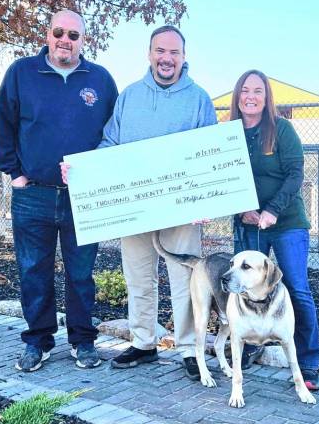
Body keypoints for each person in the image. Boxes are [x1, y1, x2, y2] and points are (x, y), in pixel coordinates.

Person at [64, 25, 217, 380]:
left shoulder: (199, 99)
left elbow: (210, 152)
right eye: (160, 51)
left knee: (186, 280)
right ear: (149, 54)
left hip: (181, 210)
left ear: (183, 57)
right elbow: (110, 144)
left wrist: (208, 197)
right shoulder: (129, 97)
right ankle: (144, 342)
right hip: (134, 208)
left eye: (174, 53)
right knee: (138, 277)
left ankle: (189, 349)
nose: (167, 58)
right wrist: (85, 170)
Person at [0, 9, 118, 372]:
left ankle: (83, 341)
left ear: (83, 40)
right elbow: (4, 126)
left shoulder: (101, 80)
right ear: (47, 34)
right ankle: (39, 341)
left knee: (81, 274)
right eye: (59, 32)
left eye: (74, 35)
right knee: (33, 271)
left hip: (85, 197)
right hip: (34, 195)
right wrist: (15, 174)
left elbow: (115, 135)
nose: (66, 40)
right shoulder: (22, 74)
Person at [230, 69, 319, 390]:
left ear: (266, 97)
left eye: (257, 91)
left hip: (286, 224)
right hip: (247, 223)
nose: (250, 96)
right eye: (245, 90)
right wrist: (242, 208)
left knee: (296, 288)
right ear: (237, 96)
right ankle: (248, 345)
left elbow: (296, 173)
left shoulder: (282, 129)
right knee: (243, 287)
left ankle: (309, 362)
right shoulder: (228, 134)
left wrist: (271, 211)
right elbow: (224, 178)